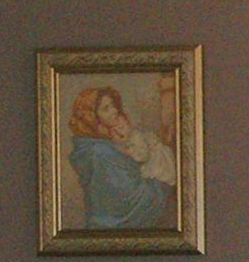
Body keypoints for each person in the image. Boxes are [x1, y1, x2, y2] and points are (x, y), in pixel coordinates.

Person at [67, 85, 175, 228]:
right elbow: (130, 197)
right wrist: (162, 187)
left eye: (113, 106)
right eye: (106, 109)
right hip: (112, 226)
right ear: (92, 116)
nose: (115, 111)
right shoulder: (99, 152)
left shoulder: (103, 143)